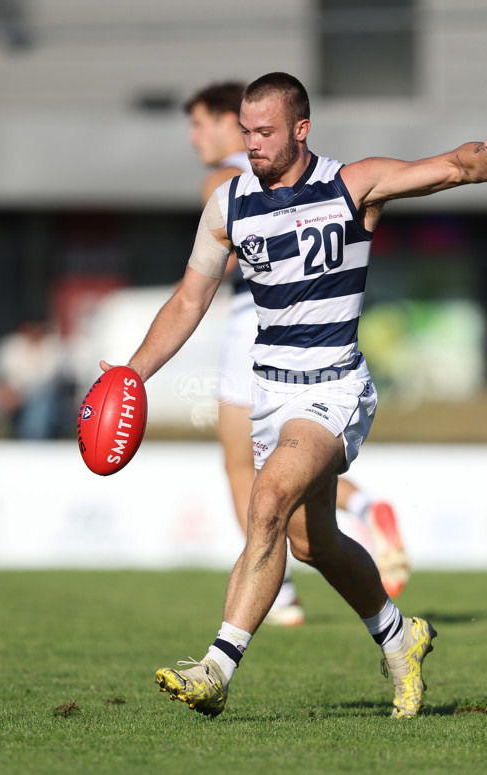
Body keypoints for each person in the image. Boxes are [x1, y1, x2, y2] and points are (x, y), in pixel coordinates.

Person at [101, 72, 487, 719]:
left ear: (301, 128)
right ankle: (399, 636)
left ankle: (216, 666)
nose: (253, 143)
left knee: (266, 497)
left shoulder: (350, 184)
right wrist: (131, 373)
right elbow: (190, 298)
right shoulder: (229, 204)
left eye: (265, 131)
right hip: (272, 395)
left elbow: (447, 168)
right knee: (311, 541)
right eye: (246, 131)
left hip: (335, 390)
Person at [185, 82, 409, 622]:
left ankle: (268, 600)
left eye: (200, 123)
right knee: (303, 502)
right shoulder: (293, 167)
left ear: (223, 120)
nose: (195, 138)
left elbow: (222, 272)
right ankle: (364, 510)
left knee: (245, 469)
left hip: (258, 332)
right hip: (310, 341)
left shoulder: (228, 184)